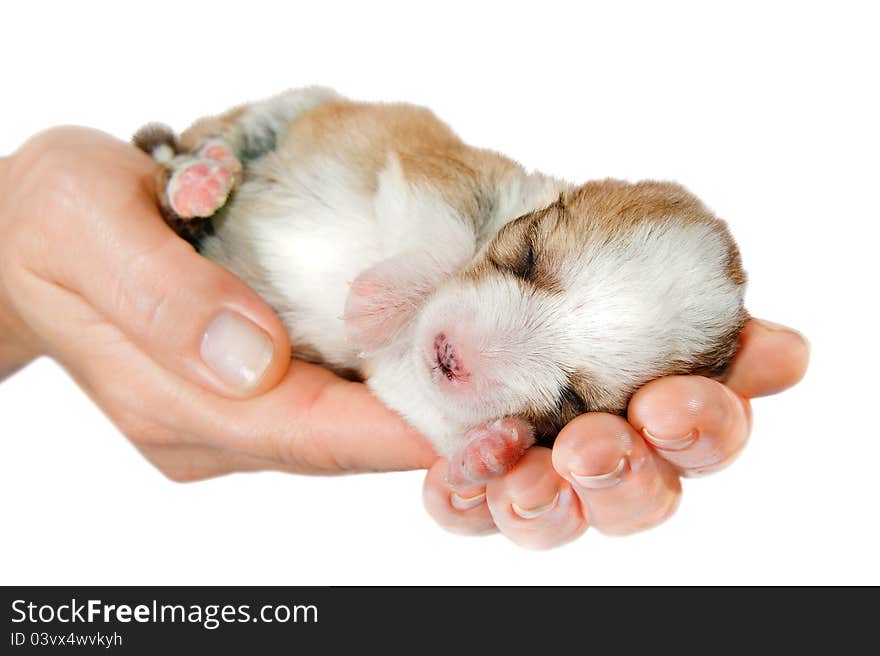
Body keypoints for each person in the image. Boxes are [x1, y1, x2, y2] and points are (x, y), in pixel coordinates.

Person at [0, 127, 809, 549]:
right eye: (525, 264)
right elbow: (422, 168)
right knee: (253, 129)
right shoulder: (490, 192)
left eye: (569, 394)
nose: (478, 349)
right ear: (564, 195)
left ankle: (185, 203)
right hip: (277, 154)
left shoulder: (495, 409)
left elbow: (403, 392)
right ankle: (191, 160)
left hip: (226, 258)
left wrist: (466, 448)